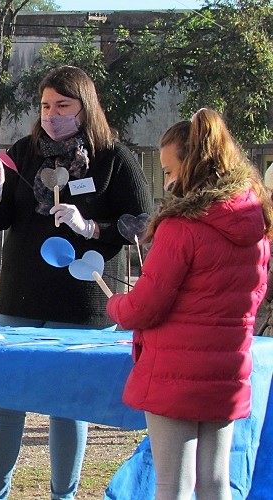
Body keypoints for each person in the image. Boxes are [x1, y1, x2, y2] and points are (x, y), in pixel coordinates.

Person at [0, 66, 154, 500]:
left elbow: (142, 222)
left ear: (84, 107)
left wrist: (91, 226)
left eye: (62, 106)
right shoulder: (23, 152)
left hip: (80, 301)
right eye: (45, 106)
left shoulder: (113, 157)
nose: (52, 115)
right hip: (21, 294)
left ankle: (64, 495)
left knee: (67, 406)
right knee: (6, 398)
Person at [106, 109, 273, 499]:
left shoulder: (181, 228)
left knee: (172, 484)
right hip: (228, 370)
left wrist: (116, 306)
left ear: (192, 167)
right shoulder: (256, 226)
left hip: (175, 372)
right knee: (216, 482)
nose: (166, 181)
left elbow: (146, 306)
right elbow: (255, 294)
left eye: (168, 171)